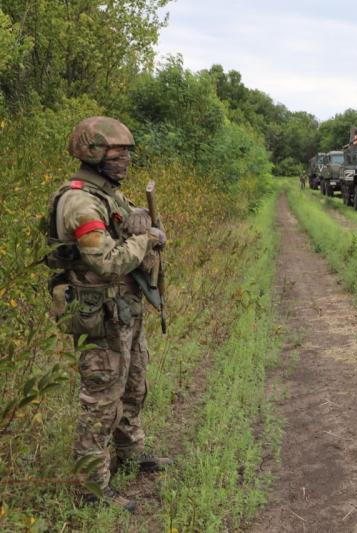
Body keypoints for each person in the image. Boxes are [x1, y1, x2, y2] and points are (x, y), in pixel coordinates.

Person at [45, 117, 172, 512]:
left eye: (128, 153)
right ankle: (92, 489)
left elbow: (130, 219)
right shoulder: (79, 201)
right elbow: (108, 262)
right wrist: (144, 236)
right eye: (118, 154)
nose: (126, 161)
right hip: (99, 315)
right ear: (93, 153)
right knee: (101, 401)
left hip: (125, 310)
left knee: (134, 386)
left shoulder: (108, 194)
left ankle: (131, 453)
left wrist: (142, 217)